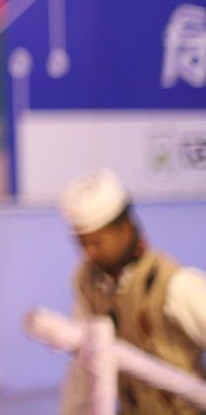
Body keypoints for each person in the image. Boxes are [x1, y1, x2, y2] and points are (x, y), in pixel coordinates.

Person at [60, 167, 206, 414]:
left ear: (125, 229)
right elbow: (83, 369)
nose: (88, 253)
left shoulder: (174, 284)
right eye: (82, 244)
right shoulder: (87, 284)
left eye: (96, 243)